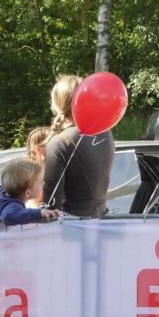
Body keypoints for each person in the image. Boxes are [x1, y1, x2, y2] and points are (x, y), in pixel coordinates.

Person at [41, 75, 115, 217]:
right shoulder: (106, 133)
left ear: (56, 102)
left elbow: (51, 203)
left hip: (71, 227)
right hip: (102, 220)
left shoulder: (60, 142)